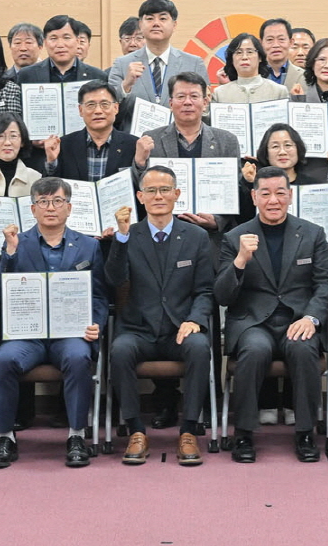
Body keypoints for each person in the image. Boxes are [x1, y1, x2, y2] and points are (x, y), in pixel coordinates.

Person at [0, 179, 108, 468]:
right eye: (43, 201)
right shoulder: (16, 243)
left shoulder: (89, 246)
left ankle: (76, 435)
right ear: (33, 209)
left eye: (57, 201)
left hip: (70, 333)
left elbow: (99, 296)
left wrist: (96, 323)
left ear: (69, 207)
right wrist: (10, 254)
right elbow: (0, 293)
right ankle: (5, 437)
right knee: (3, 360)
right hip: (27, 335)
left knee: (78, 357)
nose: (50, 207)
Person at [219, 168, 328, 463]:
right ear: (254, 197)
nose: (274, 200)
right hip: (253, 322)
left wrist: (311, 318)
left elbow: (325, 284)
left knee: (303, 348)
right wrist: (240, 261)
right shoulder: (234, 237)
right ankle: (243, 434)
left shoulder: (312, 233)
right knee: (254, 351)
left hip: (298, 319)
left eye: (280, 193)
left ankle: (305, 432)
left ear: (290, 195)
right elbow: (222, 295)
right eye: (266, 194)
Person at [106, 167, 215, 465]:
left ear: (176, 194)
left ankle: (189, 430)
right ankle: (135, 431)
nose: (158, 196)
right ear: (140, 197)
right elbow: (114, 279)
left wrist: (194, 320)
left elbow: (205, 290)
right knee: (119, 350)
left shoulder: (196, 236)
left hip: (180, 328)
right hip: (138, 329)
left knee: (199, 347)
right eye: (151, 191)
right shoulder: (128, 235)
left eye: (165, 190)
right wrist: (121, 237)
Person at [139, 72, 240, 232]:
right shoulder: (151, 139)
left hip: (211, 234)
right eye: (181, 97)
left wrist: (217, 221)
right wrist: (139, 162)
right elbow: (141, 188)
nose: (187, 102)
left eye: (194, 96)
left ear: (205, 102)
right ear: (171, 103)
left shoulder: (227, 140)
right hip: (164, 229)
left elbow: (236, 190)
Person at [0, 14, 108, 116]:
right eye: (53, 38)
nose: (60, 45)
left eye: (66, 38)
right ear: (45, 42)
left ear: (77, 41)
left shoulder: (97, 76)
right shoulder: (27, 75)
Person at [110, 0, 206, 108]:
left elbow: (205, 108)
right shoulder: (122, 64)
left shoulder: (194, 63)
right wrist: (126, 85)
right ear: (141, 24)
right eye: (150, 18)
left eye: (163, 18)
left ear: (174, 25)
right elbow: (110, 106)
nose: (156, 23)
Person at [47, 80, 139, 185]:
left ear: (116, 108)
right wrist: (52, 162)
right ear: (80, 110)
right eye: (91, 105)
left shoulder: (133, 145)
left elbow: (140, 186)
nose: (98, 111)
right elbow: (50, 188)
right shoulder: (64, 145)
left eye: (104, 104)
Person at [214, 32, 290, 103]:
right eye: (239, 52)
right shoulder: (219, 94)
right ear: (232, 59)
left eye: (250, 52)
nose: (244, 57)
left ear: (260, 57)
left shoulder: (279, 91)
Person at [258, 18, 306, 90]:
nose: (276, 45)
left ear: (291, 42)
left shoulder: (304, 77)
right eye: (270, 39)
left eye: (281, 39)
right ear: (261, 43)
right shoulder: (252, 74)